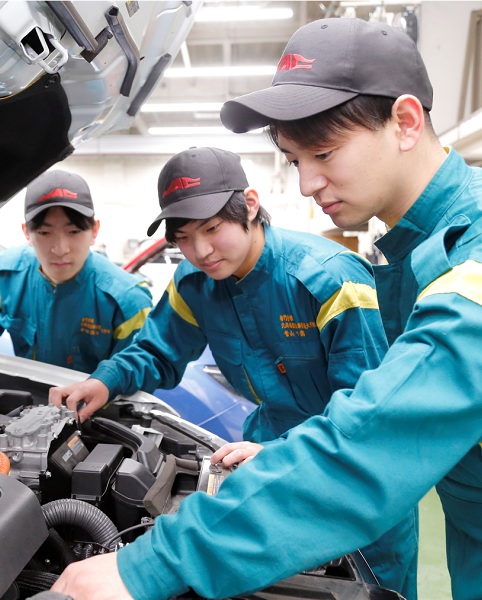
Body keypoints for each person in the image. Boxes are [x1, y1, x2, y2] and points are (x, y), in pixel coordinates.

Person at [50, 17, 482, 600]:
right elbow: (160, 345)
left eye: (324, 152)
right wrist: (107, 379)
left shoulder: (450, 255)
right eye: (294, 159)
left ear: (405, 122)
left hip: (347, 493)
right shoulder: (418, 251)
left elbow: (376, 431)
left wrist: (151, 567)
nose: (306, 184)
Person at [49, 146, 418, 596]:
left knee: (366, 587)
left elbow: (367, 409)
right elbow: (157, 351)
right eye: (183, 236)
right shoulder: (195, 284)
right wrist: (104, 380)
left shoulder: (328, 277)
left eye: (212, 228)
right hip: (262, 453)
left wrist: (286, 455)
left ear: (249, 204)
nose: (200, 250)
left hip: (354, 472)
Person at [0, 169, 153, 374]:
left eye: (74, 231)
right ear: (26, 233)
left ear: (94, 231)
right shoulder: (1, 274)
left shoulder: (127, 300)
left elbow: (135, 372)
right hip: (28, 407)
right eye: (45, 232)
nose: (60, 249)